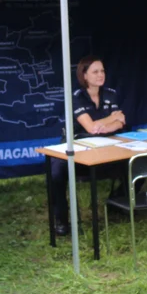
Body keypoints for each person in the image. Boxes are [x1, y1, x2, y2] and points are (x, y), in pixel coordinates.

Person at [50, 56, 126, 236]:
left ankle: (117, 201)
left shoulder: (110, 93)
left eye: (102, 71)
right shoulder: (75, 97)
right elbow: (90, 128)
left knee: (138, 162)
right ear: (84, 76)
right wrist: (109, 120)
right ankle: (61, 218)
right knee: (56, 172)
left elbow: (121, 122)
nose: (100, 75)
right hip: (78, 147)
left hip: (107, 145)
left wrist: (106, 125)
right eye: (95, 72)